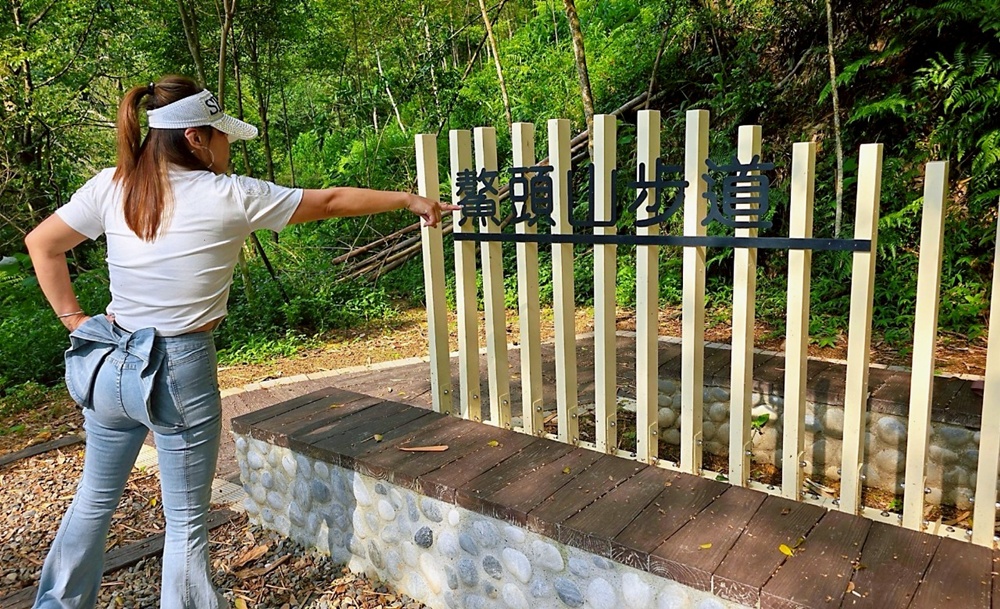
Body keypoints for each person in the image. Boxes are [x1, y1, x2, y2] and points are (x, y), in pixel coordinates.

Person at [24, 74, 456, 609]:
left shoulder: (112, 186)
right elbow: (332, 201)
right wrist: (409, 199)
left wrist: (77, 323)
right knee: (185, 524)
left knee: (93, 499)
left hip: (108, 356)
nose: (229, 145)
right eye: (222, 134)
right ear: (196, 138)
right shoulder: (231, 195)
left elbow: (42, 243)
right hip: (175, 368)